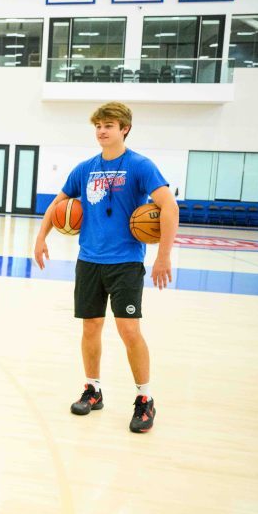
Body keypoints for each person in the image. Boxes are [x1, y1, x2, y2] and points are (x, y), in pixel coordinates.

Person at [33, 101, 178, 433]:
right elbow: (57, 205)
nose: (101, 131)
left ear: (124, 128)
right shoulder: (85, 169)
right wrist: (41, 237)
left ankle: (145, 399)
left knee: (129, 331)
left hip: (125, 262)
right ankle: (93, 389)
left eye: (108, 125)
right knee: (90, 328)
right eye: (98, 125)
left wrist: (163, 256)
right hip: (89, 262)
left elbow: (168, 205)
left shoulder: (140, 166)